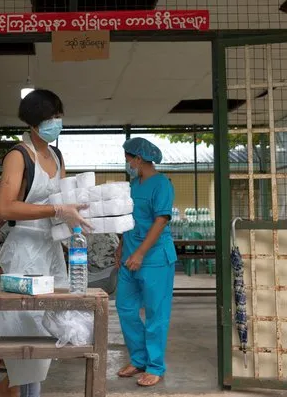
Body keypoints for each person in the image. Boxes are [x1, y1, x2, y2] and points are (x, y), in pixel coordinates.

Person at [0, 89, 90, 397]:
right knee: (23, 331)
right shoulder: (18, 155)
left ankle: (6, 392)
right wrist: (56, 209)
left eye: (58, 117)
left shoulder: (57, 156)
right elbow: (5, 207)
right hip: (23, 251)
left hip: (51, 249)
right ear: (33, 123)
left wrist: (75, 217)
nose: (55, 123)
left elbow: (64, 200)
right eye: (49, 118)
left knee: (49, 330)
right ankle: (14, 391)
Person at [115, 137, 177, 387]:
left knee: (155, 313)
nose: (127, 163)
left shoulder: (161, 185)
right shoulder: (133, 185)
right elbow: (128, 220)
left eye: (128, 159)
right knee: (125, 308)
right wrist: (121, 246)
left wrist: (140, 253)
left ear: (138, 159)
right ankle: (139, 359)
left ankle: (155, 366)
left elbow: (161, 221)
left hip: (154, 259)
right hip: (130, 256)